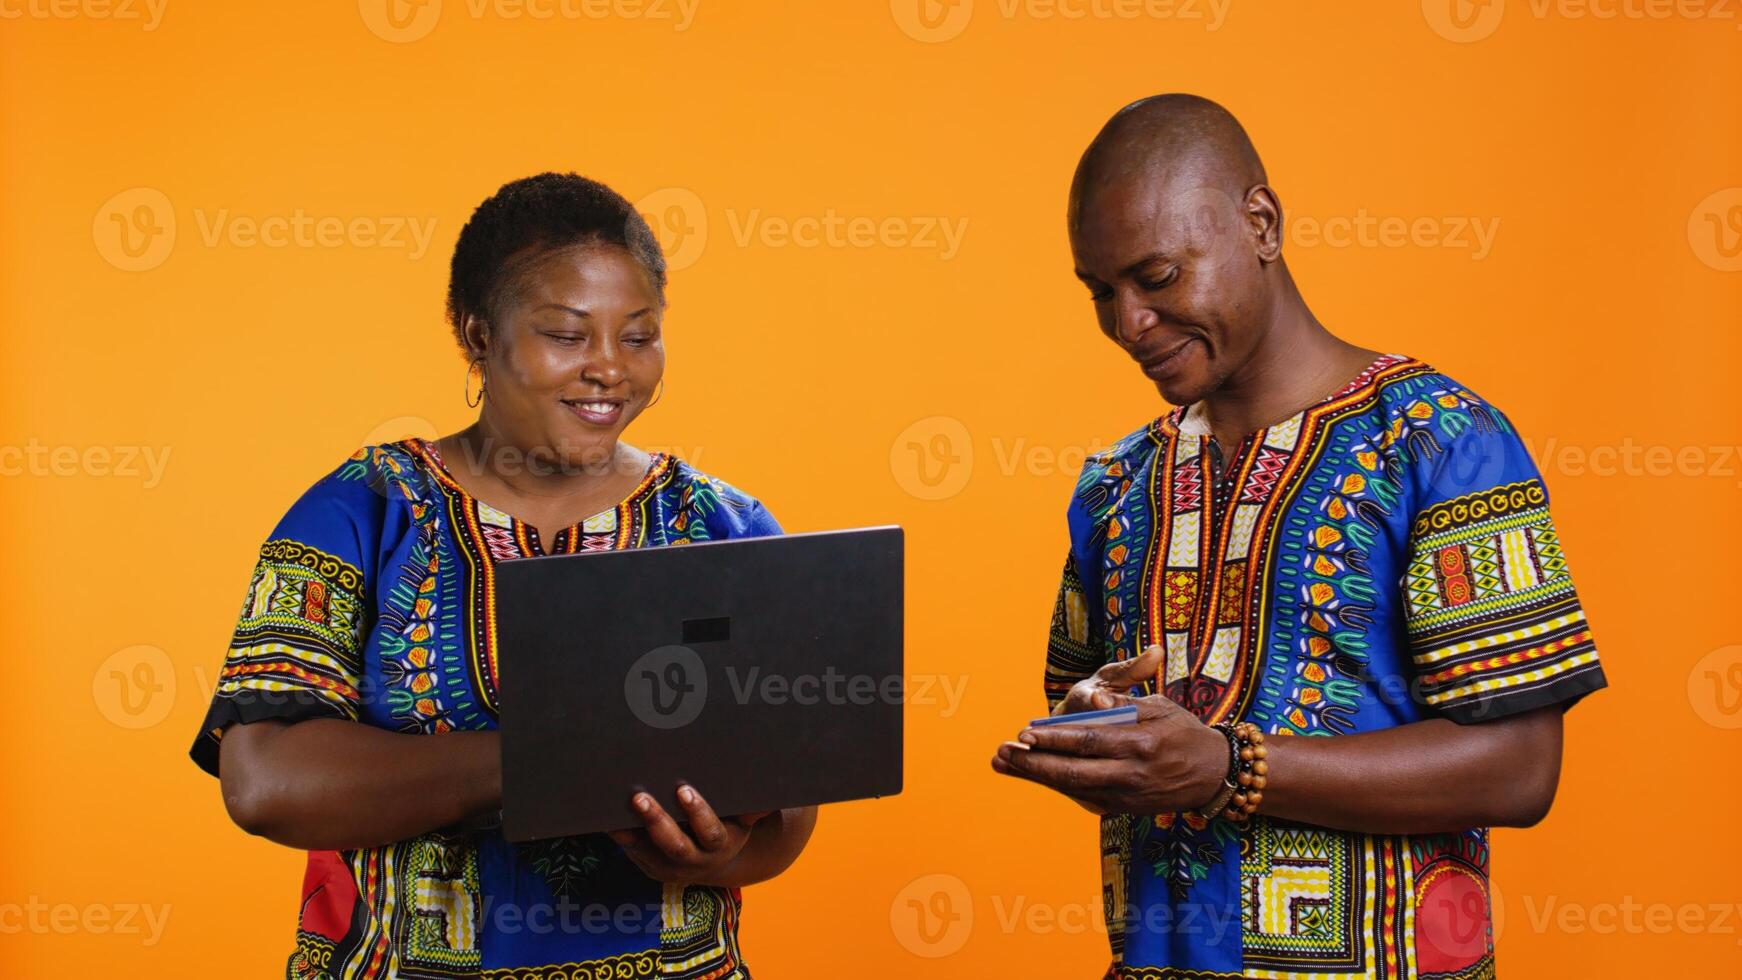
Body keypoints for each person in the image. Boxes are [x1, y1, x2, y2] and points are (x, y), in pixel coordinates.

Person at [991, 95, 1606, 979]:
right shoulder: (1117, 486)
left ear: (1261, 224)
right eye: (1102, 292)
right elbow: (1087, 717)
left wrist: (1226, 764)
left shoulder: (1439, 440)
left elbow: (1521, 766)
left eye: (1157, 278)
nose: (1128, 323)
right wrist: (1095, 723)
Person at [191, 172, 817, 978]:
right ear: (478, 333)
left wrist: (714, 854)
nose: (609, 369)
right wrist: (553, 761)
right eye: (566, 335)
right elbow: (264, 781)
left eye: (638, 335)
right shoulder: (367, 510)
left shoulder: (720, 526)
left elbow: (789, 806)